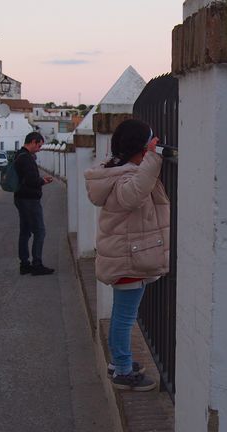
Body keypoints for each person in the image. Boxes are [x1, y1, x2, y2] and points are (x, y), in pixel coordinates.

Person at [84, 119, 170, 391]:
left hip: (127, 253)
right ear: (142, 147)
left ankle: (119, 361)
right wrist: (154, 161)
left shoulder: (118, 171)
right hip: (127, 257)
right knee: (124, 317)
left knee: (123, 314)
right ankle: (122, 370)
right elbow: (132, 195)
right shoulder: (126, 177)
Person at [14, 131, 55, 276]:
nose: (39, 149)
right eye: (39, 145)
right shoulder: (27, 159)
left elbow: (25, 178)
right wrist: (43, 181)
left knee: (25, 231)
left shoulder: (19, 154)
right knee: (39, 231)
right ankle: (37, 264)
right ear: (33, 142)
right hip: (29, 200)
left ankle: (24, 264)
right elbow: (31, 181)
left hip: (20, 198)